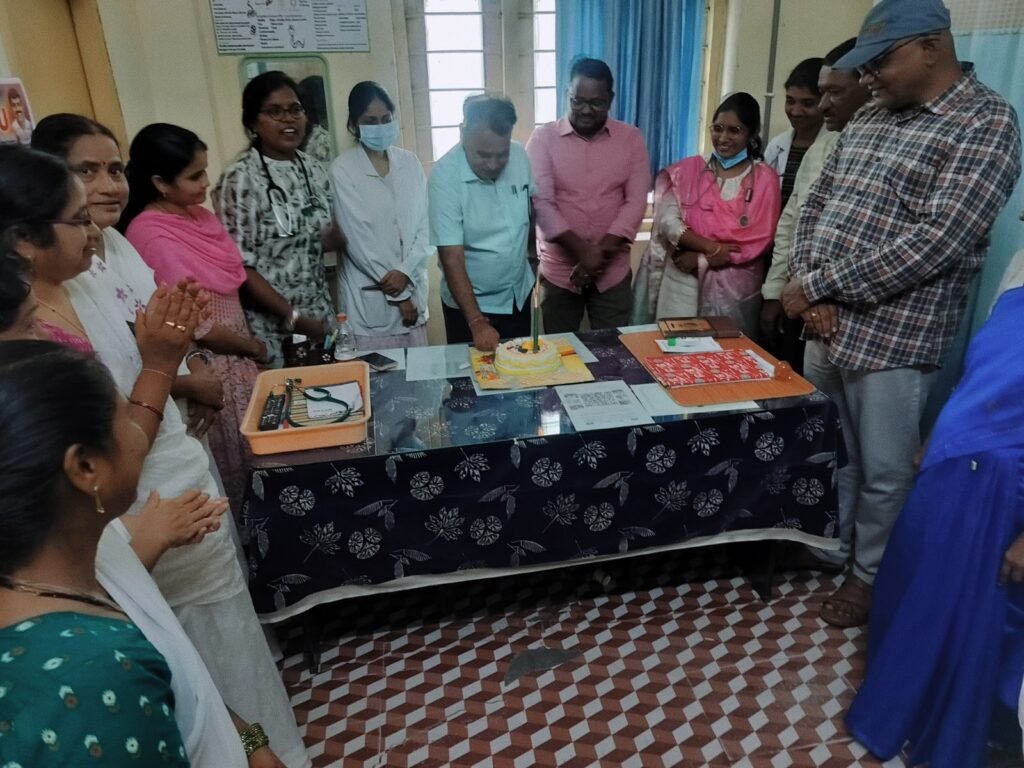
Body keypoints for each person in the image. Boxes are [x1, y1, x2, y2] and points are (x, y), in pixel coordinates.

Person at [0, 146, 310, 767]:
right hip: (127, 523)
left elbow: (185, 673)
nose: (95, 228)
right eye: (77, 216)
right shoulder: (87, 669)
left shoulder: (94, 271)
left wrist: (249, 740)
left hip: (141, 516)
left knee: (218, 647)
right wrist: (163, 369)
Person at [782, 0, 1022, 627]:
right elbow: (816, 204)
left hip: (894, 336)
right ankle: (832, 548)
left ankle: (869, 576)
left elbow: (938, 241)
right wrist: (814, 291)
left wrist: (821, 285)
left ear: (931, 47)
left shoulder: (986, 123)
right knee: (833, 452)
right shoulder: (871, 116)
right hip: (823, 323)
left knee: (885, 471)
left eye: (879, 63)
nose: (867, 77)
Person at [844, 283, 1024, 766]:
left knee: (970, 612)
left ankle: (967, 724)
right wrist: (936, 433)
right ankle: (906, 701)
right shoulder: (1015, 295)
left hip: (1001, 488)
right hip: (953, 463)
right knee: (914, 583)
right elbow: (977, 376)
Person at [0, 340, 195, 767]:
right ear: (86, 467)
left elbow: (188, 686)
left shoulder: (61, 576)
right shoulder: (95, 672)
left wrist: (250, 740)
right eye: (125, 417)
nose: (139, 431)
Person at [31, 113, 227, 441]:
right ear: (50, 179)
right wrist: (187, 384)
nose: (110, 187)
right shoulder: (58, 267)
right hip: (130, 442)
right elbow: (103, 381)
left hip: (176, 428)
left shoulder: (115, 239)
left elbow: (153, 336)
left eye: (115, 170)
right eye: (86, 171)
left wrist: (192, 356)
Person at [121, 122, 264, 514]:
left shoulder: (199, 217)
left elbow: (228, 286)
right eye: (194, 176)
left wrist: (248, 350)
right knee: (234, 473)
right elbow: (192, 322)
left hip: (239, 362)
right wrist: (251, 346)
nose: (206, 182)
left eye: (204, 171)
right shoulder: (150, 234)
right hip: (207, 366)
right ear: (160, 183)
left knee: (254, 458)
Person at [213, 70, 336, 368]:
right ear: (253, 122)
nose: (288, 119)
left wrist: (332, 238)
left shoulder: (313, 169)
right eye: (275, 112)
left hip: (320, 318)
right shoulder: (240, 179)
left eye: (295, 110)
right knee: (289, 396)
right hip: (274, 330)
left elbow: (318, 237)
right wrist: (294, 317)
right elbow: (242, 267)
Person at [760, 40, 869, 375]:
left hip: (852, 308)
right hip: (802, 292)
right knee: (793, 378)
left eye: (831, 94)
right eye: (791, 101)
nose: (821, 106)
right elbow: (796, 222)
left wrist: (816, 291)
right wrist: (778, 291)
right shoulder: (821, 149)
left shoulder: (875, 149)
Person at [526, 57, 650, 333]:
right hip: (560, 274)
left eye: (596, 103)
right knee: (560, 352)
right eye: (577, 101)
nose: (585, 110)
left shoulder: (631, 139)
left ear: (610, 99)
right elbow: (542, 204)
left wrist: (598, 255)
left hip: (612, 274)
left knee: (613, 350)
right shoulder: (543, 139)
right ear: (566, 94)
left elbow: (635, 202)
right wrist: (585, 253)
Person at [653, 92, 781, 339]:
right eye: (718, 128)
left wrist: (701, 258)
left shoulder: (765, 179)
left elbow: (760, 239)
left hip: (733, 289)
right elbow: (668, 220)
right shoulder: (689, 170)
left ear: (752, 134)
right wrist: (711, 248)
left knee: (728, 354)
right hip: (683, 282)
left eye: (734, 130)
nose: (723, 138)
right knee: (676, 351)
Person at [430, 94, 536, 351]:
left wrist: (533, 258)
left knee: (521, 369)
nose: (493, 164)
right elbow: (451, 257)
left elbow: (531, 207)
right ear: (463, 133)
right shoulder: (445, 176)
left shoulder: (519, 155)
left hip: (517, 296)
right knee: (470, 373)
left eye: (501, 154)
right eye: (483, 155)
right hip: (470, 308)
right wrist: (476, 322)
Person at [329, 81, 429, 349]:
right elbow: (358, 240)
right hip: (371, 304)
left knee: (419, 372)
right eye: (370, 121)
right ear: (354, 125)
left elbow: (425, 227)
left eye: (386, 119)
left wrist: (407, 272)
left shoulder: (410, 163)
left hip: (414, 295)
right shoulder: (343, 169)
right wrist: (401, 295)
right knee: (375, 374)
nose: (380, 127)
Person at [763, 58, 826, 209]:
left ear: (825, 101)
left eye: (807, 104)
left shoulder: (835, 145)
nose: (796, 111)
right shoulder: (776, 146)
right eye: (790, 101)